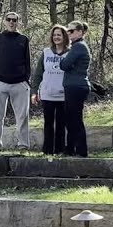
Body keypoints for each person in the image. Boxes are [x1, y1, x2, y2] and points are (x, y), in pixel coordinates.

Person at [0, 11, 32, 149]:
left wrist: (26, 80)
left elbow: (27, 62)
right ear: (5, 21)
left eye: (15, 20)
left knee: (22, 117)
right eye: (9, 19)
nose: (12, 22)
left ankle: (23, 144)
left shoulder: (23, 39)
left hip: (20, 83)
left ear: (18, 22)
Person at [32, 25, 70, 155]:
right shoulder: (46, 52)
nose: (56, 37)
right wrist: (34, 91)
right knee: (48, 123)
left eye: (59, 35)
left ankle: (60, 149)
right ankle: (47, 150)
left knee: (61, 123)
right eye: (54, 35)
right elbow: (38, 73)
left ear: (64, 37)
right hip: (47, 94)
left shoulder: (70, 53)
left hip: (63, 95)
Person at [60, 21, 92, 157]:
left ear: (80, 32)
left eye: (71, 31)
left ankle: (81, 150)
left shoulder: (78, 47)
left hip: (76, 86)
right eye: (68, 31)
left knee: (75, 119)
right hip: (73, 86)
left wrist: (64, 60)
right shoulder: (76, 47)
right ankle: (70, 148)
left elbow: (64, 65)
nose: (69, 33)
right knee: (70, 118)